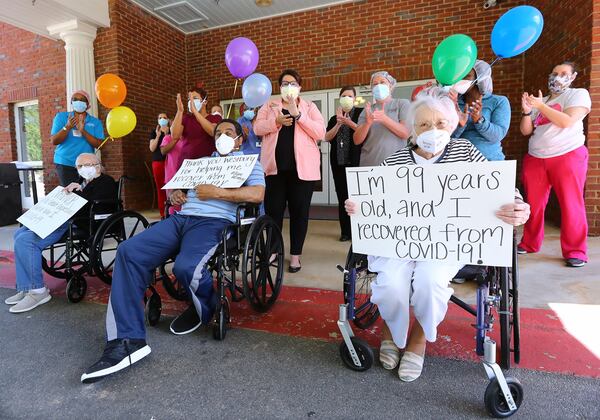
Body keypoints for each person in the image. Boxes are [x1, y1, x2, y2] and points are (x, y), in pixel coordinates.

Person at [345, 88, 531, 382]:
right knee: (392, 282)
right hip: (401, 242)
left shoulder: (466, 152)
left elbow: (499, 188)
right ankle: (392, 330)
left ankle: (419, 335)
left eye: (440, 123)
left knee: (430, 281)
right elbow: (371, 197)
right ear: (413, 130)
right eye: (423, 125)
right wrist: (357, 205)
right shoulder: (396, 161)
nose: (432, 130)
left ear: (453, 123)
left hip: (446, 243)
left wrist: (518, 205)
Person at [80, 119, 265, 383]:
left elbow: (257, 194)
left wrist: (219, 192)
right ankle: (127, 340)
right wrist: (177, 194)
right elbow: (180, 191)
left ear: (238, 140)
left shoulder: (249, 163)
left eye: (228, 133)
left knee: (185, 268)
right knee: (128, 251)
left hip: (214, 223)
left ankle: (208, 306)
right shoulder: (201, 163)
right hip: (181, 219)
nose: (222, 136)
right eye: (218, 133)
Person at [5, 153, 116, 313]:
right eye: (80, 166)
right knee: (20, 233)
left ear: (97, 165)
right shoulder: (81, 182)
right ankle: (27, 286)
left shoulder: (106, 182)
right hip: (66, 219)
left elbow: (96, 206)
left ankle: (38, 291)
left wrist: (77, 194)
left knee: (27, 241)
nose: (84, 168)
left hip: (84, 223)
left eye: (88, 165)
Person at [518, 61, 591, 268]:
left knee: (571, 204)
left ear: (573, 76)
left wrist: (540, 106)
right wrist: (526, 112)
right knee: (533, 204)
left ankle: (575, 251)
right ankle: (530, 243)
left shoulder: (577, 94)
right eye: (554, 73)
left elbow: (567, 121)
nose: (557, 76)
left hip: (567, 155)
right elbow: (526, 131)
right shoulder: (544, 99)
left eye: (563, 73)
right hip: (536, 157)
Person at [254, 69, 325, 273]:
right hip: (274, 171)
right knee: (273, 212)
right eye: (284, 83)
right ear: (279, 87)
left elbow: (320, 132)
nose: (288, 87)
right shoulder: (269, 105)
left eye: (292, 83)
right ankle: (274, 250)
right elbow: (258, 128)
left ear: (299, 86)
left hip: (302, 173)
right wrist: (275, 122)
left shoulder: (309, 107)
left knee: (299, 214)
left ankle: (295, 256)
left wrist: (299, 116)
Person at [450, 60, 511, 161]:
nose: (461, 79)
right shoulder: (454, 103)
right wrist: (460, 126)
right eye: (461, 75)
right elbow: (447, 139)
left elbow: (498, 135)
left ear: (480, 78)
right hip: (460, 162)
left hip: (490, 162)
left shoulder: (498, 101)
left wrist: (479, 120)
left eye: (467, 76)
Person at [324, 86, 362, 241]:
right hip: (339, 163)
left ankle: (359, 232)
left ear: (354, 98)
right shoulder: (334, 118)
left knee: (357, 198)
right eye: (344, 96)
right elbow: (326, 137)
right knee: (342, 197)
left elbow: (366, 131)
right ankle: (345, 232)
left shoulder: (360, 114)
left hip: (356, 163)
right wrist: (339, 123)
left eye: (350, 96)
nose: (347, 98)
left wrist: (349, 122)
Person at [353, 71, 410, 167]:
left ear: (391, 86)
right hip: (370, 165)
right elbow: (357, 140)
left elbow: (406, 133)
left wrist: (384, 119)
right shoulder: (367, 110)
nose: (378, 86)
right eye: (375, 84)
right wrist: (367, 123)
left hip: (398, 165)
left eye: (382, 82)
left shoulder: (402, 104)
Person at [50, 90, 104, 186]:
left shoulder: (95, 122)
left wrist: (83, 131)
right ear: (71, 102)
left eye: (82, 100)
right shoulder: (61, 117)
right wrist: (67, 127)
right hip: (65, 162)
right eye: (75, 99)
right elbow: (54, 141)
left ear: (87, 104)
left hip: (87, 164)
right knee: (72, 195)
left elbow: (100, 145)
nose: (78, 102)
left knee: (87, 194)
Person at [170, 88, 221, 161]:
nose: (191, 101)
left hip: (208, 163)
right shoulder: (186, 118)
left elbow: (213, 131)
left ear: (205, 102)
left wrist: (195, 112)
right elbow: (174, 136)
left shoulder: (215, 118)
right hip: (187, 163)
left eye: (195, 98)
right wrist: (179, 111)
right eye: (189, 99)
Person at [149, 113, 169, 218]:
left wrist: (166, 135)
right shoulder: (154, 132)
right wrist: (158, 136)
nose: (162, 119)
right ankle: (163, 213)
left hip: (170, 162)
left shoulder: (171, 131)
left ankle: (171, 211)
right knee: (160, 188)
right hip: (158, 163)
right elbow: (152, 148)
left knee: (170, 188)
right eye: (160, 118)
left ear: (168, 120)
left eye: (164, 118)